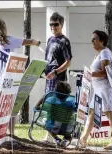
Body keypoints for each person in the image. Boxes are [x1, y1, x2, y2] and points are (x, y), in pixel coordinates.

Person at [0, 18, 41, 135]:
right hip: (11, 77)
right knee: (11, 105)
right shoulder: (11, 40)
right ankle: (11, 132)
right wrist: (36, 42)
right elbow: (28, 41)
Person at [78, 30, 112, 150]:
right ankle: (83, 139)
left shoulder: (105, 53)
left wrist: (90, 74)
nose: (92, 41)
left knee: (108, 112)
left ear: (102, 41)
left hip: (105, 88)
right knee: (92, 112)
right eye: (92, 39)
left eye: (95, 39)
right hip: (98, 88)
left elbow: (105, 72)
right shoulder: (98, 55)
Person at [39, 12, 73, 143]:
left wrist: (56, 72)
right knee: (49, 106)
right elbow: (48, 59)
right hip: (48, 78)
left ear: (61, 25)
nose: (53, 27)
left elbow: (68, 61)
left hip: (58, 80)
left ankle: (59, 135)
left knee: (56, 108)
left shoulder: (64, 41)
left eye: (56, 24)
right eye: (51, 24)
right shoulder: (50, 39)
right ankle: (49, 136)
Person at [35, 81, 75, 147]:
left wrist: (38, 105)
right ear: (68, 95)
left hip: (53, 128)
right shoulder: (71, 103)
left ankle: (57, 139)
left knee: (47, 122)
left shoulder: (50, 101)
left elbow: (38, 107)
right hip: (67, 129)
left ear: (55, 92)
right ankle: (66, 138)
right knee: (66, 125)